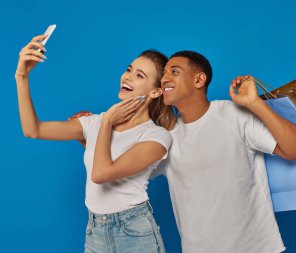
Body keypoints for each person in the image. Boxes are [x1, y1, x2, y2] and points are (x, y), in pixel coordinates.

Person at [70, 51, 296, 253]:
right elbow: (118, 173)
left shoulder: (233, 114)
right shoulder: (165, 138)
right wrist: (90, 135)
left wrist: (255, 103)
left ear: (199, 80)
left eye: (174, 71)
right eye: (163, 73)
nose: (165, 79)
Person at [15, 34, 176, 253]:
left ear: (156, 91)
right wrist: (21, 75)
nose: (127, 77)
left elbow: (100, 174)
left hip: (135, 233)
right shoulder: (95, 122)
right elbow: (33, 130)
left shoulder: (156, 136)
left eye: (139, 75)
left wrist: (107, 122)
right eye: (129, 69)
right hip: (95, 231)